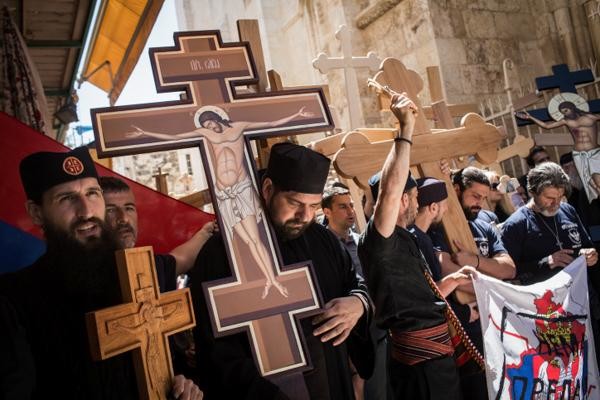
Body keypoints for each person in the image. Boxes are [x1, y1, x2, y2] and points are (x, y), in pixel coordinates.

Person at [0, 147, 202, 399]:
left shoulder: (142, 277)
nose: (86, 211)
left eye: (92, 193)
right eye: (66, 198)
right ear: (36, 212)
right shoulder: (13, 301)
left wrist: (177, 386)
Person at [189, 142, 374, 399]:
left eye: (314, 206)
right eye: (295, 202)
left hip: (332, 383)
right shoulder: (220, 253)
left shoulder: (322, 239)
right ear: (267, 189)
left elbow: (355, 282)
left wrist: (359, 304)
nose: (304, 215)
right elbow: (215, 350)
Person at [129, 106, 314, 299]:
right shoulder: (204, 134)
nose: (210, 128)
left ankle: (272, 279)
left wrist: (297, 114)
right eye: (206, 126)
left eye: (211, 124)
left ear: (218, 119)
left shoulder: (237, 128)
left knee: (255, 239)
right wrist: (144, 132)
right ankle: (267, 280)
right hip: (225, 195)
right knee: (242, 242)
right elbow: (174, 136)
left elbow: (270, 123)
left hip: (241, 190)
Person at [358, 93, 467, 399]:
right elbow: (389, 194)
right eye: (416, 196)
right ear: (403, 199)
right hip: (422, 365)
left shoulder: (404, 238)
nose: (419, 203)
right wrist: (405, 128)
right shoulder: (381, 237)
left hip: (433, 360)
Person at [501, 162, 598, 284]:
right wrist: (546, 262)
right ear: (532, 192)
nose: (556, 204)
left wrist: (590, 255)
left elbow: (587, 245)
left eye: (560, 197)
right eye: (550, 198)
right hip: (545, 300)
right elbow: (508, 272)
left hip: (582, 292)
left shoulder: (568, 210)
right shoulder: (516, 225)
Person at [99, 176, 216, 276]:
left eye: (129, 208)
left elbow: (179, 260)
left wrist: (206, 232)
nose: (124, 219)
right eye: (111, 211)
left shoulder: (142, 267)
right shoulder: (88, 275)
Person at [518, 105, 600, 201]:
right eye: (541, 161)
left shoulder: (562, 178)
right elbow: (546, 126)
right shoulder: (526, 183)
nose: (547, 162)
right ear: (532, 167)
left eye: (547, 158)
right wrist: (530, 117)